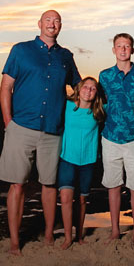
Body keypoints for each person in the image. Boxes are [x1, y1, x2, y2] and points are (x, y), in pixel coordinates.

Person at [0, 10, 81, 256]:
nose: (52, 24)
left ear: (61, 26)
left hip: (53, 130)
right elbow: (5, 88)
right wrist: (8, 123)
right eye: (48, 20)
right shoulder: (21, 50)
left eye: (57, 21)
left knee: (49, 185)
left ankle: (49, 235)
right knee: (17, 185)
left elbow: (80, 87)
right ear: (40, 24)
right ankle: (14, 242)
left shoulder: (66, 56)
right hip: (21, 127)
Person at [98, 33, 134, 245]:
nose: (123, 49)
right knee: (114, 186)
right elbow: (97, 102)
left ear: (132, 50)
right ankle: (115, 229)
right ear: (113, 50)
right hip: (110, 137)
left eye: (127, 46)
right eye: (119, 46)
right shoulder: (104, 76)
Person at [57, 77, 105, 250]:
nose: (89, 91)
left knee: (83, 200)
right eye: (86, 87)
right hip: (67, 159)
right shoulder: (68, 106)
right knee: (66, 198)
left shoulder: (98, 111)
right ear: (79, 88)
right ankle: (68, 238)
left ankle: (79, 236)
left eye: (93, 89)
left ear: (96, 93)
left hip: (88, 162)